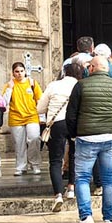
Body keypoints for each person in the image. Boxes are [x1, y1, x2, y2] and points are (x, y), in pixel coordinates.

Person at [65, 56, 112, 223]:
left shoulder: (81, 85)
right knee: (109, 179)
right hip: (111, 137)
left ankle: (85, 216)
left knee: (83, 178)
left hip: (87, 137)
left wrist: (73, 134)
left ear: (93, 68)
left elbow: (71, 115)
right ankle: (109, 220)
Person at [38, 62, 82, 212]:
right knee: (74, 156)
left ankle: (57, 194)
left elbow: (40, 108)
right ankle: (71, 188)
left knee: (56, 160)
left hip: (57, 123)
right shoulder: (80, 85)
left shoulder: (54, 85)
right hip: (76, 123)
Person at [4, 62, 43, 176]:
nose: (19, 74)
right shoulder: (9, 85)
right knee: (19, 143)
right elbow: (4, 102)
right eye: (17, 71)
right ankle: (21, 166)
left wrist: (41, 116)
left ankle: (35, 163)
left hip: (31, 115)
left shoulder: (32, 83)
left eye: (21, 71)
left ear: (25, 71)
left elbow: (39, 99)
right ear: (13, 73)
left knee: (34, 138)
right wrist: (9, 89)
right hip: (16, 117)